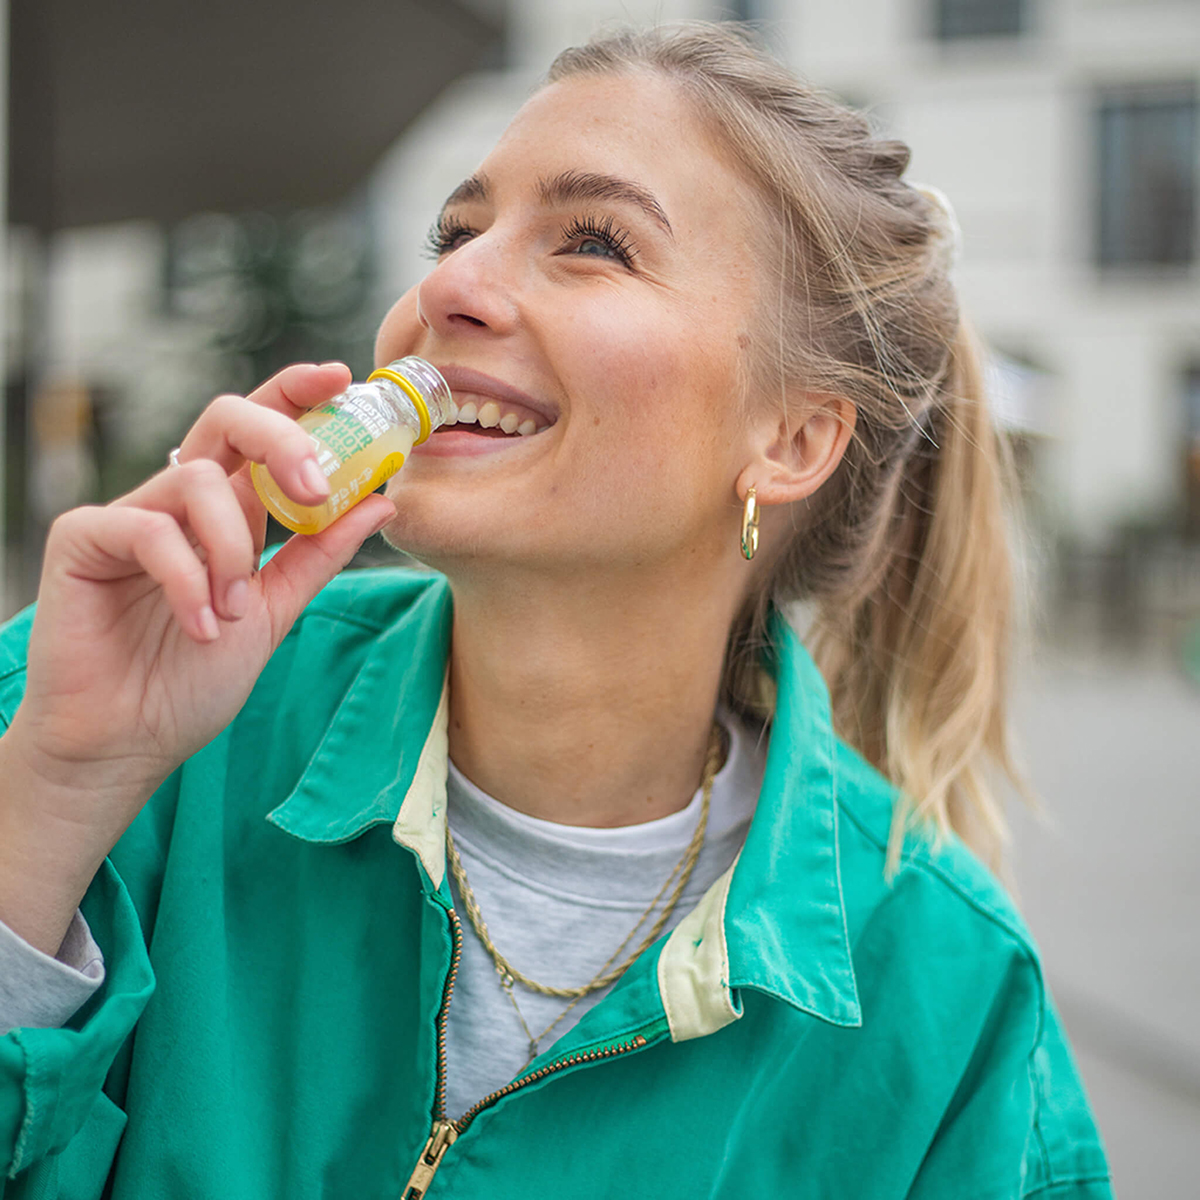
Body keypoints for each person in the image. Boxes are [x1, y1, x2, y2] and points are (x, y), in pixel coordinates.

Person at [0, 22, 1112, 1199]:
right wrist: (57, 791)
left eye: (593, 243)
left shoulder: (951, 995)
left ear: (790, 439)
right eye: (458, 231)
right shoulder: (96, 709)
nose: (450, 286)